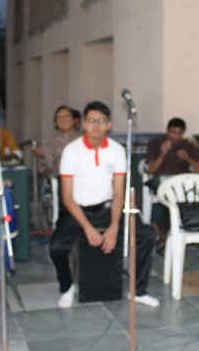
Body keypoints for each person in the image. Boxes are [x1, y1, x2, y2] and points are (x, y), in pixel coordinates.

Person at [49, 100, 159, 308]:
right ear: (83, 123)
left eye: (101, 121)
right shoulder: (72, 151)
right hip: (76, 209)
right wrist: (88, 228)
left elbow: (118, 193)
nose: (96, 126)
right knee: (56, 247)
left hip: (108, 207)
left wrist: (115, 226)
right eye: (91, 120)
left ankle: (138, 291)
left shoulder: (117, 151)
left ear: (109, 124)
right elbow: (67, 197)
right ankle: (67, 287)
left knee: (146, 235)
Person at [31, 105, 79, 177]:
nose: (63, 119)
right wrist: (42, 156)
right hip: (65, 177)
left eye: (67, 116)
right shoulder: (52, 142)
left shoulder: (84, 137)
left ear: (74, 119)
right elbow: (48, 169)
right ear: (56, 122)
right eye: (59, 117)